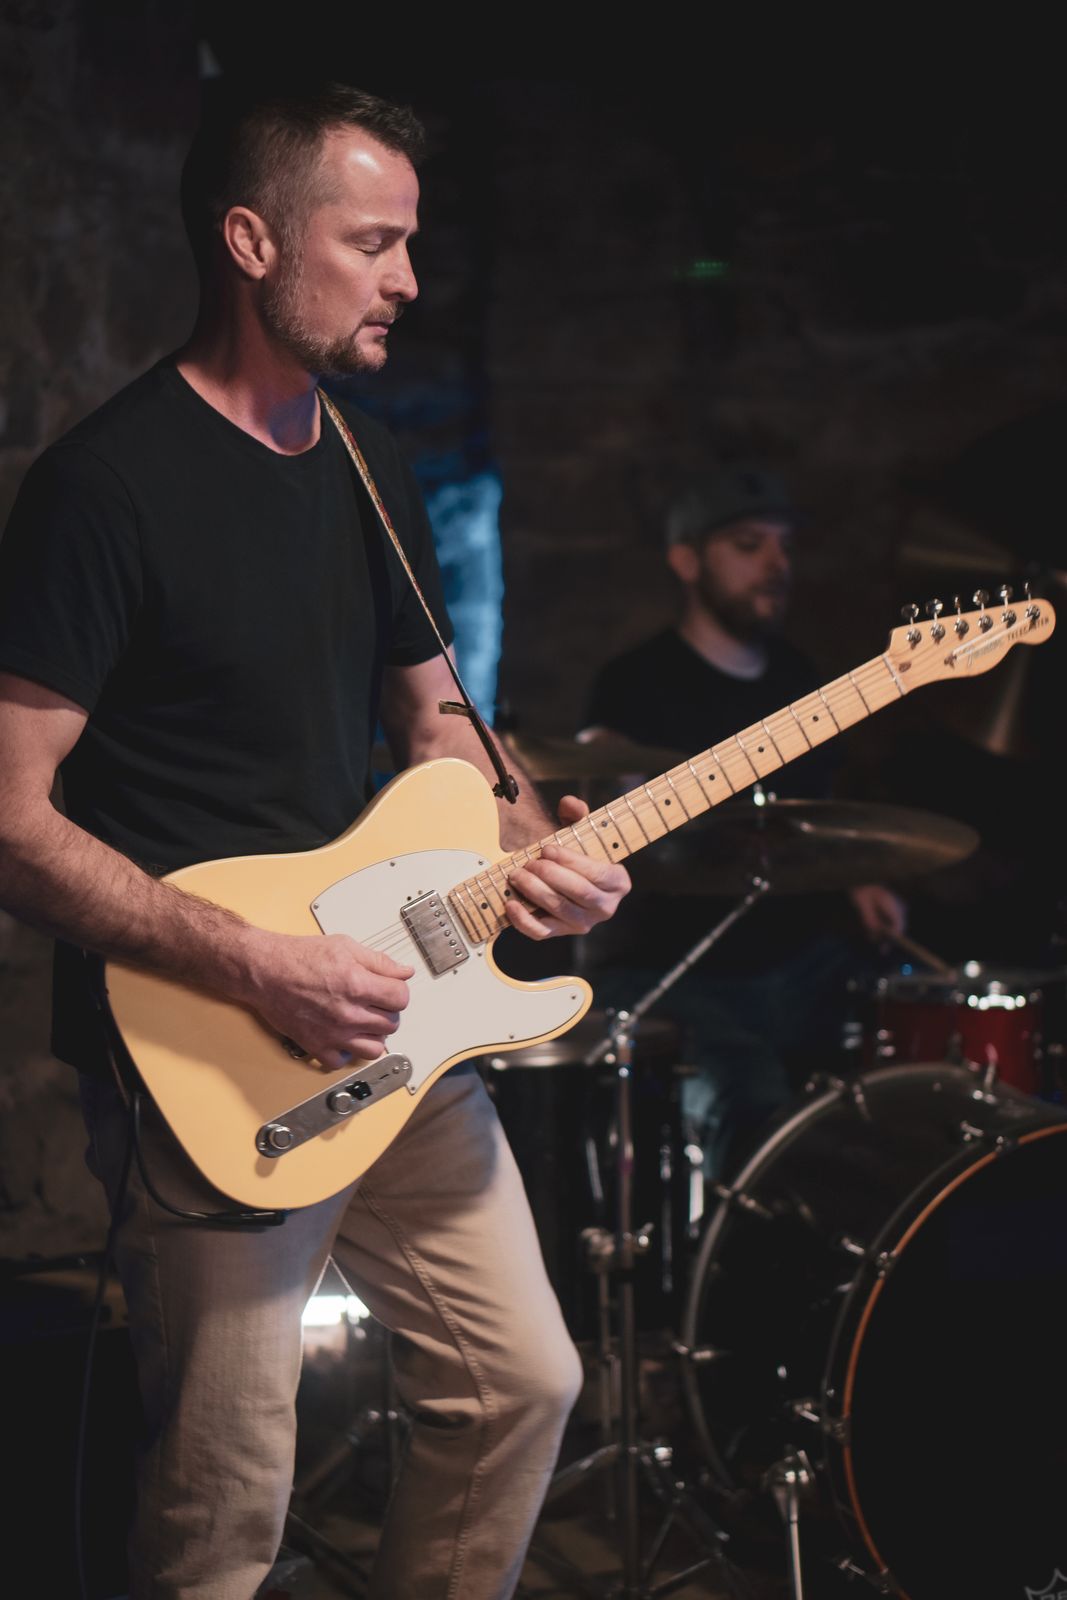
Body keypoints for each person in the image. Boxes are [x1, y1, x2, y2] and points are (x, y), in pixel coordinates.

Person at [0, 82, 630, 1600]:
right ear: (250, 241)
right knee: (227, 1512)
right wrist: (254, 963)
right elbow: (9, 810)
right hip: (212, 1052)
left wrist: (532, 842)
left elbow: (442, 730)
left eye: (407, 243)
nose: (407, 278)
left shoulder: (368, 462)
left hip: (405, 1018)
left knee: (521, 1384)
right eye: (372, 243)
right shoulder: (103, 488)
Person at [579, 462, 906, 1182]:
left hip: (795, 959)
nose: (776, 565)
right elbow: (609, 815)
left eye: (784, 545)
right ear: (686, 560)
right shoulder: (633, 685)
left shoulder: (802, 680)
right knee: (748, 1097)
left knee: (900, 1073)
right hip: (676, 965)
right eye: (748, 545)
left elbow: (812, 823)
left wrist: (859, 879)